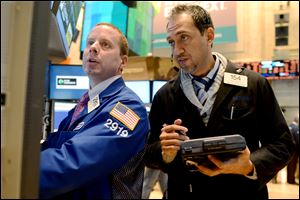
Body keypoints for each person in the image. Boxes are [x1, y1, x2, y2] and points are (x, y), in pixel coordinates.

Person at [145, 4, 296, 199]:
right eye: (171, 42)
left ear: (209, 36)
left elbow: (282, 144)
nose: (177, 51)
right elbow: (148, 152)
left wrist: (250, 165)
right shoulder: (165, 95)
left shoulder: (253, 84)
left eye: (184, 37)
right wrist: (164, 153)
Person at [39, 23, 150, 199]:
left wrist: (16, 168)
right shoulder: (85, 105)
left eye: (105, 44)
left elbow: (74, 162)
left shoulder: (128, 107)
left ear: (123, 61)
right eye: (90, 42)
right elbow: (54, 145)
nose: (93, 48)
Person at [287, 115, 299, 184]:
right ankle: (291, 180)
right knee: (293, 166)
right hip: (294, 150)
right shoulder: (296, 128)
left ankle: (289, 179)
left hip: (287, 150)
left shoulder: (288, 126)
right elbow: (297, 140)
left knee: (289, 165)